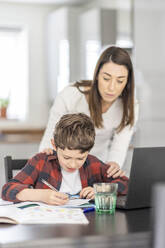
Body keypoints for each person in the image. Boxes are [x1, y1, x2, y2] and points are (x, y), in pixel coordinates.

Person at [39, 46, 139, 178]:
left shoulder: (129, 106)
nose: (112, 87)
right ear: (97, 75)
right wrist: (49, 161)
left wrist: (113, 165)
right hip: (63, 168)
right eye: (106, 78)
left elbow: (118, 149)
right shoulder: (70, 96)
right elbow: (48, 141)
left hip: (96, 172)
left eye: (120, 80)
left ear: (127, 82)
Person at [2, 113, 128, 205]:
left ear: (88, 151)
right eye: (66, 157)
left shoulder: (92, 163)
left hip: (85, 227)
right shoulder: (41, 161)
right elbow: (7, 189)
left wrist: (100, 191)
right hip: (47, 228)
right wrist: (41, 195)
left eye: (80, 158)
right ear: (54, 145)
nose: (73, 164)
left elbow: (126, 183)